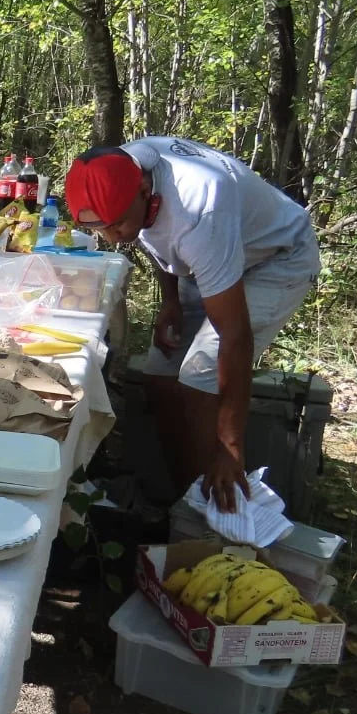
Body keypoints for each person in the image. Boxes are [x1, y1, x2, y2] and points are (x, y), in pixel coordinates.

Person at [63, 137, 322, 514]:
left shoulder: (198, 211)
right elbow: (151, 234)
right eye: (102, 228)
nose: (112, 237)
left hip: (275, 258)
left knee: (199, 380)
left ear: (145, 190)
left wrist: (229, 447)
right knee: (159, 379)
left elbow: (235, 337)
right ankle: (177, 494)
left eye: (116, 224)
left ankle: (212, 512)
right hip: (208, 260)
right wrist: (171, 301)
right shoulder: (126, 168)